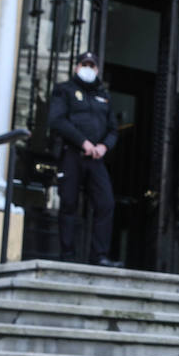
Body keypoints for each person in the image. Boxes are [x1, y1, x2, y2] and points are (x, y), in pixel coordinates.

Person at [47, 51, 121, 267]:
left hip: (96, 159)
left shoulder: (103, 96)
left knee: (106, 203)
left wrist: (104, 146)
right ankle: (67, 254)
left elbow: (113, 130)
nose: (88, 68)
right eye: (84, 64)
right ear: (76, 67)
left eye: (92, 65)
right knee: (69, 203)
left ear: (97, 70)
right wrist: (83, 142)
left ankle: (99, 255)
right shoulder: (64, 90)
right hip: (72, 154)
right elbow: (57, 121)